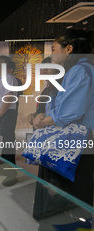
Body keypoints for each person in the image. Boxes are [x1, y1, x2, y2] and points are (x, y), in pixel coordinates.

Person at [32, 30, 94, 216]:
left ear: (69, 49)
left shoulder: (79, 71)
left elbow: (69, 113)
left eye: (53, 49)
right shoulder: (83, 70)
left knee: (66, 199)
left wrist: (44, 121)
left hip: (73, 141)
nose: (51, 55)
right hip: (76, 141)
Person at [0, 55, 18, 165]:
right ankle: (0, 167)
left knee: (6, 142)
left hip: (6, 114)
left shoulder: (9, 78)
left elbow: (8, 99)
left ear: (3, 64)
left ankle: (10, 172)